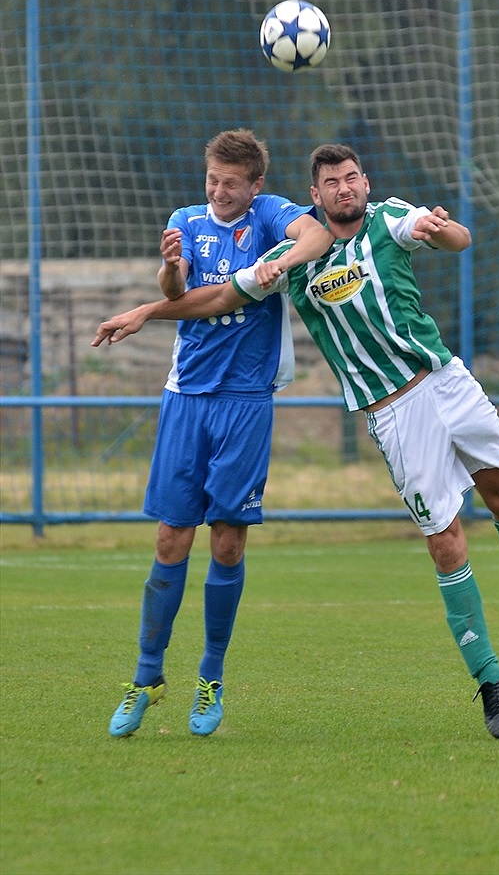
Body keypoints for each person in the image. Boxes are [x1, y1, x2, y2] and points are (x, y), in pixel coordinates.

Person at [94, 143, 499, 740]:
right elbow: (216, 298)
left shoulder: (388, 217)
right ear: (314, 196)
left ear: (365, 183)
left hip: (446, 377)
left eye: (351, 178)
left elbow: (457, 239)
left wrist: (437, 228)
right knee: (446, 539)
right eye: (331, 183)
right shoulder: (290, 259)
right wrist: (148, 309)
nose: (345, 189)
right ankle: (490, 680)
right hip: (393, 411)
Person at [104, 129, 333, 739]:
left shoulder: (267, 215)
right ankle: (147, 675)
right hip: (187, 398)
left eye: (231, 182)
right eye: (213, 179)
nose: (219, 191)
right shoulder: (185, 219)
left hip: (246, 401)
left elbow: (317, 233)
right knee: (170, 537)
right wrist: (169, 273)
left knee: (228, 541)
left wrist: (276, 264)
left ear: (254, 185)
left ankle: (210, 676)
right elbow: (181, 295)